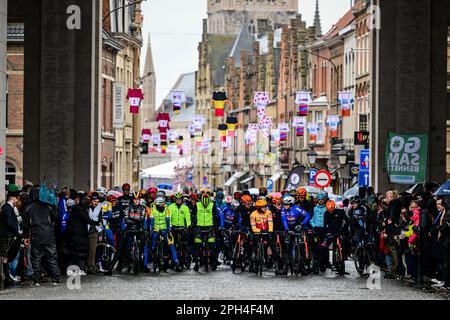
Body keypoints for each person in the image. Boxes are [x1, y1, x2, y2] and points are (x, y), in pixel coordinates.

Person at [22, 186, 61, 286]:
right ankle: (55, 278)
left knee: (36, 258)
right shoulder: (49, 206)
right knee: (52, 257)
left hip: (36, 236)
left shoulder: (28, 208)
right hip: (49, 235)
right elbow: (56, 218)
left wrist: (26, 237)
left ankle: (37, 280)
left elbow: (26, 225)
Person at [107, 192, 150, 275]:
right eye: (135, 199)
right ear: (133, 199)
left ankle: (140, 260)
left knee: (144, 243)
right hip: (129, 229)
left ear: (140, 200)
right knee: (120, 248)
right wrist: (135, 220)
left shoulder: (143, 208)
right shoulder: (128, 207)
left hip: (138, 229)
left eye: (138, 199)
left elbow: (142, 219)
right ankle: (111, 268)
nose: (136, 201)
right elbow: (126, 219)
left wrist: (132, 220)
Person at [149, 196, 180, 271]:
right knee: (153, 243)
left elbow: (168, 221)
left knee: (171, 244)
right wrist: (151, 230)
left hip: (164, 229)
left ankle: (176, 262)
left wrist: (169, 231)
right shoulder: (153, 210)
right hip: (156, 229)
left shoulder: (167, 209)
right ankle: (153, 255)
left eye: (163, 205)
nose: (162, 206)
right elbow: (152, 221)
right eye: (160, 206)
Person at [0, 185, 23, 284]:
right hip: (8, 235)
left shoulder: (8, 207)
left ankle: (6, 276)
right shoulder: (7, 208)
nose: (17, 200)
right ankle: (6, 276)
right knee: (6, 257)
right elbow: (10, 222)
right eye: (16, 198)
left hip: (8, 235)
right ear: (12, 198)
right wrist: (17, 232)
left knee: (6, 257)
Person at [324, 200, 349, 275]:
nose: (330, 212)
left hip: (340, 231)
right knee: (325, 247)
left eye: (331, 210)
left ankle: (344, 257)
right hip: (331, 233)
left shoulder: (340, 212)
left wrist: (344, 229)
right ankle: (329, 263)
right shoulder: (326, 213)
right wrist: (327, 232)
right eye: (329, 210)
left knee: (344, 244)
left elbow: (347, 220)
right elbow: (325, 224)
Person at [193, 194, 216, 271]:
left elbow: (216, 216)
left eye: (206, 204)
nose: (205, 205)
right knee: (197, 245)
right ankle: (196, 263)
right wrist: (193, 225)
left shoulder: (213, 205)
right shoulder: (197, 205)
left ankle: (213, 262)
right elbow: (193, 216)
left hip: (210, 227)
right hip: (199, 227)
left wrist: (216, 226)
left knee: (212, 245)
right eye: (203, 204)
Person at [249, 199, 273, 271]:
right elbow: (253, 227)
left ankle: (268, 259)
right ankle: (252, 262)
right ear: (258, 207)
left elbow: (270, 222)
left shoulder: (268, 212)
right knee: (254, 246)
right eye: (263, 207)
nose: (265, 208)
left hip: (266, 232)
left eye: (265, 206)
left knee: (268, 245)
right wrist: (260, 230)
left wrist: (270, 231)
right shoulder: (253, 214)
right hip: (257, 232)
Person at [168, 192, 191, 269]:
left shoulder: (185, 208)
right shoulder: (170, 207)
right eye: (177, 199)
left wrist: (188, 226)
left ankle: (186, 257)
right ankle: (172, 259)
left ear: (182, 200)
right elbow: (169, 218)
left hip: (182, 227)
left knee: (185, 243)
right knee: (172, 244)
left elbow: (187, 218)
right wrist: (170, 226)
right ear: (175, 200)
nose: (178, 201)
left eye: (179, 200)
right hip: (173, 227)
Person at [310, 191, 329, 273]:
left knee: (324, 248)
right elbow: (311, 219)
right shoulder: (314, 208)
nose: (321, 201)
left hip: (324, 230)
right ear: (317, 200)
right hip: (316, 230)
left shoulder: (327, 208)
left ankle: (323, 264)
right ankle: (316, 266)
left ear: (324, 200)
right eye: (319, 199)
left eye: (322, 199)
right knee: (316, 249)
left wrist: (327, 226)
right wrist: (314, 226)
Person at [87, 192, 102, 274]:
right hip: (86, 231)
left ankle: (91, 267)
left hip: (94, 231)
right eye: (95, 201)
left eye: (97, 201)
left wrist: (100, 233)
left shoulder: (99, 207)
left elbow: (100, 220)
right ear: (91, 201)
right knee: (86, 250)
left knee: (93, 250)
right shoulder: (87, 207)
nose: (96, 203)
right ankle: (88, 266)